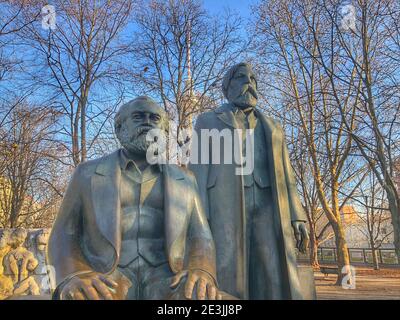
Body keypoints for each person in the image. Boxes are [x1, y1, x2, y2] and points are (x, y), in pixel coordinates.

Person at [48, 96, 220, 300]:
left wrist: (202, 271)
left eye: (154, 118)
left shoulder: (185, 179)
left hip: (169, 280)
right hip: (107, 278)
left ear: (164, 133)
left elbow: (200, 236)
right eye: (138, 117)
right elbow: (64, 234)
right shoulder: (87, 174)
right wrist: (76, 274)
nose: (147, 122)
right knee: (85, 296)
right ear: (120, 129)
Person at [190, 62, 312, 299]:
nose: (249, 82)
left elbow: (287, 174)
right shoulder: (208, 121)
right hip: (224, 202)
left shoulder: (273, 127)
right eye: (241, 77)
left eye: (253, 78)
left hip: (269, 203)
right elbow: (199, 169)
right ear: (227, 88)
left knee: (271, 265)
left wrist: (297, 214)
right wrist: (198, 216)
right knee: (229, 263)